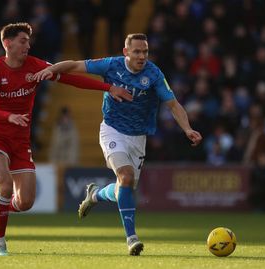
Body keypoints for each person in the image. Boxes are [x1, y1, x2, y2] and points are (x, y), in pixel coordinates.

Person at [33, 33, 203, 256]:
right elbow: (74, 65)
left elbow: (173, 105)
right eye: (137, 51)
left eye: (145, 52)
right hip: (112, 130)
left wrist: (187, 128)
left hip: (138, 138)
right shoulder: (111, 65)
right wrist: (52, 69)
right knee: (125, 176)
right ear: (126, 52)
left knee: (125, 187)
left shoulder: (154, 74)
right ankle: (132, 238)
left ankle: (94, 195)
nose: (142, 56)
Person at [0, 22, 132, 256]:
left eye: (29, 41)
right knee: (6, 187)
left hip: (20, 141)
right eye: (23, 41)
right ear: (7, 43)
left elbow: (71, 79)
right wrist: (9, 116)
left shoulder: (36, 66)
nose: (28, 45)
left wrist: (108, 87)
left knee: (26, 202)